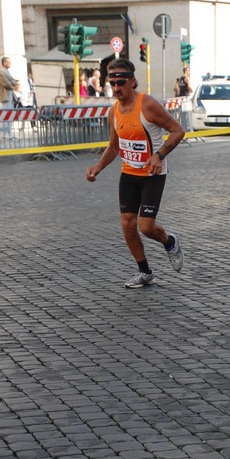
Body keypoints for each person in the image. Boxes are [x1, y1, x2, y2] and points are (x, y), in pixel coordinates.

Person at [86, 58, 185, 288]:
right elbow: (113, 146)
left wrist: (159, 155)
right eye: (112, 83)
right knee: (127, 224)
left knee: (146, 227)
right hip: (129, 175)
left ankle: (169, 242)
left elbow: (178, 131)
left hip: (152, 175)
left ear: (132, 82)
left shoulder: (147, 105)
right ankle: (145, 272)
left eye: (121, 82)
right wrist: (97, 168)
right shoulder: (114, 112)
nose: (116, 88)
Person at [0, 56, 19, 139]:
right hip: (5, 96)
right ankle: (5, 133)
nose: (10, 64)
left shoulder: (7, 71)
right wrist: (14, 86)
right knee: (7, 115)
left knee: (10, 115)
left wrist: (16, 82)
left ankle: (9, 132)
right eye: (8, 62)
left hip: (10, 95)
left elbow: (12, 80)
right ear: (4, 63)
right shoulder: (1, 72)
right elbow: (7, 83)